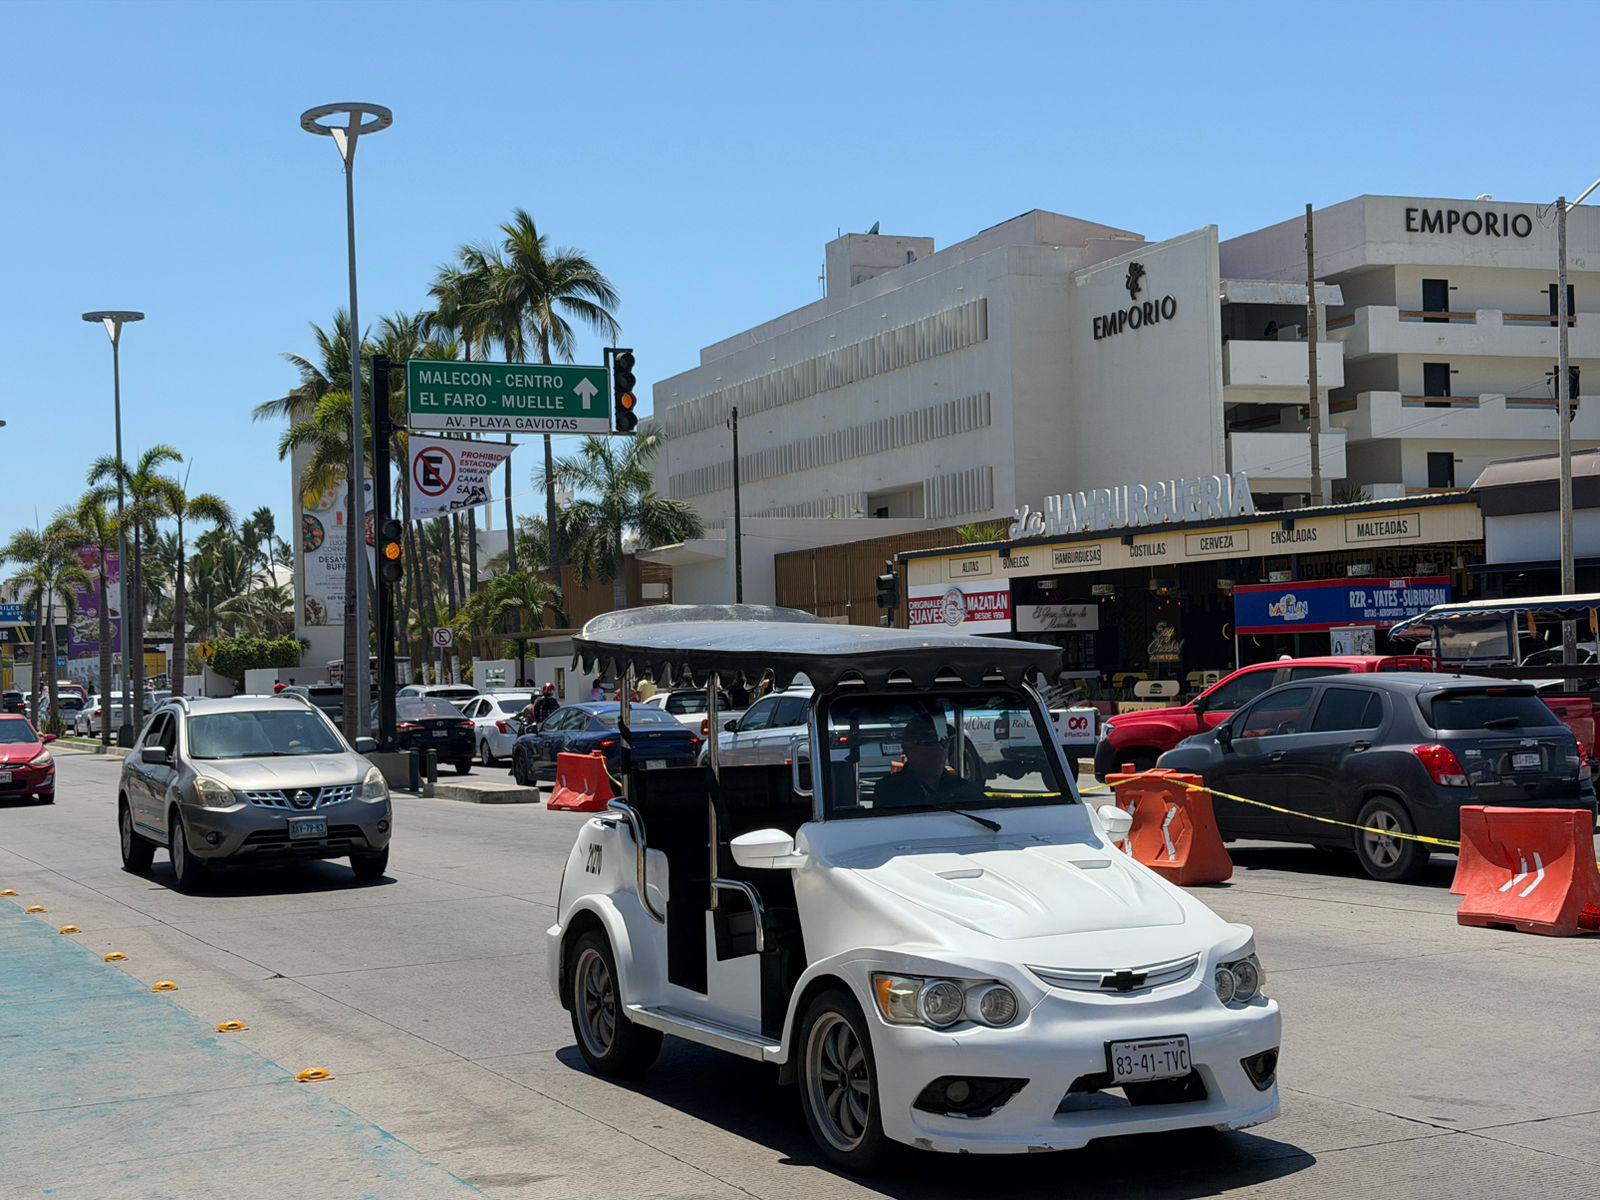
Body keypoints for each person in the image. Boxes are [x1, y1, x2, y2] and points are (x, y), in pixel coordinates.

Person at [872, 712, 986, 809]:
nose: (940, 748)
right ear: (908, 748)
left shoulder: (964, 789)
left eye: (944, 741)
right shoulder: (889, 790)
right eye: (930, 741)